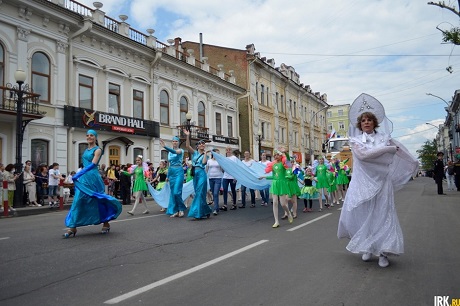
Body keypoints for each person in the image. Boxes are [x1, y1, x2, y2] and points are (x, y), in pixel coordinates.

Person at [337, 93, 418, 268]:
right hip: (362, 184)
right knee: (365, 215)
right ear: (359, 124)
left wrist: (413, 161)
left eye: (369, 120)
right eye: (363, 120)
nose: (366, 122)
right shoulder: (356, 141)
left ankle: (383, 252)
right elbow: (363, 156)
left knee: (383, 215)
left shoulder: (385, 138)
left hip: (382, 183)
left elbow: (399, 150)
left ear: (375, 122)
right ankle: (367, 247)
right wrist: (387, 149)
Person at [63, 129, 122, 238]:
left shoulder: (98, 150)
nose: (89, 137)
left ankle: (106, 223)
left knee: (98, 201)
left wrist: (78, 174)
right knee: (78, 200)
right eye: (87, 135)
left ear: (95, 137)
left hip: (93, 178)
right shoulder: (86, 150)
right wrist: (79, 174)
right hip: (84, 178)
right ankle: (73, 227)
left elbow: (92, 164)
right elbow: (85, 165)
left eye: (91, 135)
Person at [260, 148, 293, 228]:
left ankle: (288, 213)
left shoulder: (283, 163)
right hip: (275, 184)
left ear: (281, 156)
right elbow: (273, 176)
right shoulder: (273, 164)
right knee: (274, 202)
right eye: (274, 155)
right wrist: (264, 177)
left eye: (277, 155)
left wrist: (286, 153)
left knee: (283, 204)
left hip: (282, 184)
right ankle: (276, 221)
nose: (276, 156)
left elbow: (289, 163)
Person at [183, 129, 212, 220]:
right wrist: (188, 135)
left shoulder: (205, 155)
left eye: (203, 143)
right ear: (197, 146)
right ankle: (206, 210)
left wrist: (204, 154)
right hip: (195, 174)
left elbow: (203, 163)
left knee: (199, 193)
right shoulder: (195, 153)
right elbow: (187, 145)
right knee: (198, 193)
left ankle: (197, 213)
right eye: (200, 143)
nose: (202, 144)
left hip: (202, 174)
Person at [160, 137, 187, 218]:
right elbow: (169, 164)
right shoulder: (169, 153)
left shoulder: (181, 150)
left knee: (176, 192)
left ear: (178, 142)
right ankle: (175, 210)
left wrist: (165, 147)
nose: (175, 142)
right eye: (173, 141)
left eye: (176, 141)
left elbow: (175, 152)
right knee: (172, 193)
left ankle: (181, 209)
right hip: (171, 172)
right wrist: (168, 176)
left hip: (179, 171)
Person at [206, 148, 223, 215]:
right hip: (211, 178)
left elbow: (222, 169)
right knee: (213, 193)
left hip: (218, 178)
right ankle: (217, 207)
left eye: (218, 153)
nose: (217, 154)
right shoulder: (209, 161)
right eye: (216, 153)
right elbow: (207, 169)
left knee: (216, 193)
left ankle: (215, 209)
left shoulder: (220, 161)